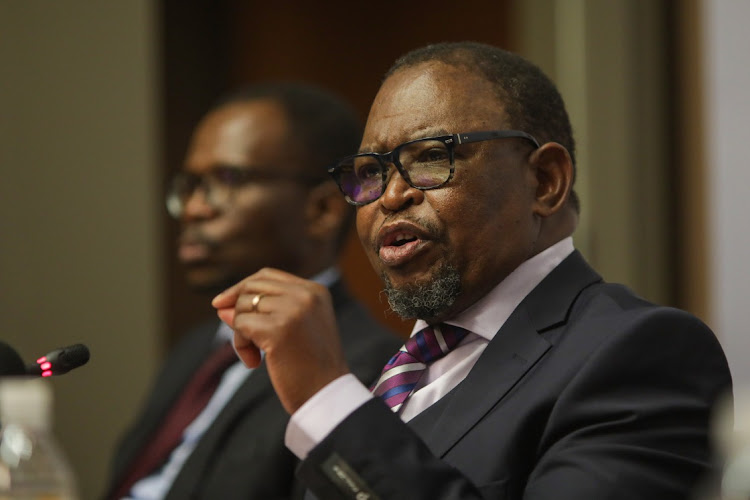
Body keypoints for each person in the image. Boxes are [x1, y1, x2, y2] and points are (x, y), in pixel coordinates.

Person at [212, 42, 734, 499]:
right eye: (371, 172)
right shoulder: (389, 374)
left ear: (546, 180)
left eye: (431, 157)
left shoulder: (640, 353)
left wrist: (328, 399)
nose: (391, 196)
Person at [103, 82, 401, 500]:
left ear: (322, 210)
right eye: (190, 185)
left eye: (227, 179)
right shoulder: (196, 350)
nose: (194, 208)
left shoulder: (360, 367)